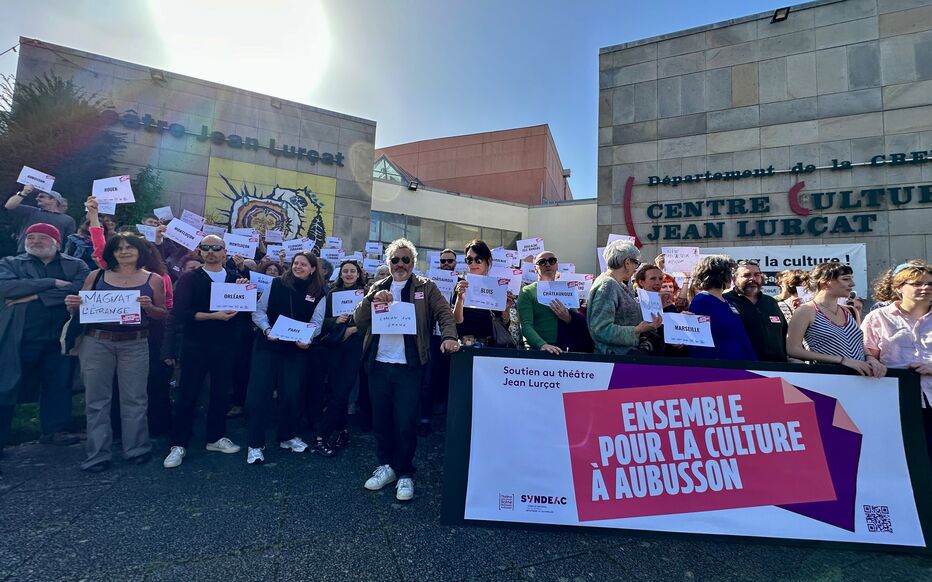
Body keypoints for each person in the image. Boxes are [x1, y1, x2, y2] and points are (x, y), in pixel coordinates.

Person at [353, 238, 459, 501]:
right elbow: (359, 319)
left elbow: (444, 313)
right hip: (378, 364)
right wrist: (371, 299)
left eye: (405, 259)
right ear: (388, 262)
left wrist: (449, 336)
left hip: (409, 366)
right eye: (395, 260)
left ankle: (405, 473)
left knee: (405, 422)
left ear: (413, 262)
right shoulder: (378, 286)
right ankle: (386, 466)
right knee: (381, 420)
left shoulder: (426, 286)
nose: (400, 264)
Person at [64, 234, 167, 472]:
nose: (124, 251)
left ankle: (137, 448)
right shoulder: (96, 276)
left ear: (140, 251)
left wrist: (149, 307)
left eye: (129, 247)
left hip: (135, 342)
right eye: (118, 248)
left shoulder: (153, 279)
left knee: (135, 398)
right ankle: (97, 454)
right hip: (97, 341)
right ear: (111, 253)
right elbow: (81, 306)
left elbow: (162, 313)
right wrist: (73, 305)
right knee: (96, 399)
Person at [0, 224, 89, 467]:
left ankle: (54, 430)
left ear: (56, 242)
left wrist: (35, 295)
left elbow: (80, 290)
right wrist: (52, 282)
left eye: (42, 237)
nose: (35, 241)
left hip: (60, 337)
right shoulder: (10, 263)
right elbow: (7, 288)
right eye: (31, 237)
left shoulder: (76, 265)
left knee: (59, 384)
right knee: (6, 386)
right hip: (21, 337)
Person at [163, 235, 246, 469]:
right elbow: (180, 313)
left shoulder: (234, 278)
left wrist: (246, 291)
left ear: (224, 252)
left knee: (221, 393)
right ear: (200, 251)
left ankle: (216, 437)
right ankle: (178, 444)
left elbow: (244, 311)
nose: (211, 251)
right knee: (188, 393)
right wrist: (212, 316)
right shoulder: (190, 278)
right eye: (206, 247)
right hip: (195, 344)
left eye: (216, 248)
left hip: (225, 345)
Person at [245, 251, 325, 464]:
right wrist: (266, 329)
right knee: (259, 395)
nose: (298, 267)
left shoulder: (319, 292)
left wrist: (308, 338)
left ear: (313, 269)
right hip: (268, 346)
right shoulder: (276, 283)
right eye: (296, 263)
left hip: (296, 349)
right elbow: (259, 311)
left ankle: (287, 436)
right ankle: (255, 444)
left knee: (291, 394)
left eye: (304, 264)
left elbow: (317, 322)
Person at [861, 262, 932, 455]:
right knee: (906, 455)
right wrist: (872, 361)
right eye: (917, 284)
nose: (925, 288)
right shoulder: (878, 317)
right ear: (899, 287)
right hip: (895, 398)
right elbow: (868, 354)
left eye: (929, 283)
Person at [786, 262, 884, 377]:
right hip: (827, 378)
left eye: (851, 279)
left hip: (860, 378)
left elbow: (857, 343)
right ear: (825, 282)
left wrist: (871, 358)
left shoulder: (850, 311)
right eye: (845, 279)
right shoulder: (806, 311)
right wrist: (841, 360)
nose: (852, 284)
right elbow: (793, 349)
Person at [317, 259, 366, 452]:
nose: (349, 274)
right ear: (340, 274)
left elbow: (373, 320)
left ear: (358, 274)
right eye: (345, 271)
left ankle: (322, 435)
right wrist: (336, 321)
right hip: (335, 346)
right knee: (336, 390)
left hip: (354, 346)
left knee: (342, 390)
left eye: (352, 271)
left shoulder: (366, 293)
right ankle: (343, 431)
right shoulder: (332, 293)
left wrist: (352, 330)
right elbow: (322, 321)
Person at [587, 241, 661, 355]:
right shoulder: (608, 285)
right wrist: (637, 330)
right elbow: (601, 330)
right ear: (627, 263)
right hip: (615, 357)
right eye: (636, 263)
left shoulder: (617, 284)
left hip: (622, 354)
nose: (636, 268)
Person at [517, 250, 590, 355]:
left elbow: (577, 321)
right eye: (542, 262)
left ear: (557, 266)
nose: (547, 264)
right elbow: (526, 325)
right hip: (537, 351)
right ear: (535, 268)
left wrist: (568, 317)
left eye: (552, 261)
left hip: (564, 349)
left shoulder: (567, 289)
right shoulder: (527, 292)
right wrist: (542, 345)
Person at [687, 255, 757, 361]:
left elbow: (741, 335)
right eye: (730, 273)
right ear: (720, 275)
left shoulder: (728, 301)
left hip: (742, 365)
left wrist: (753, 361)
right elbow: (700, 341)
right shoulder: (702, 301)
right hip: (720, 367)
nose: (732, 277)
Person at [419, 249, 457, 436]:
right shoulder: (429, 283)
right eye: (443, 261)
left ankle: (451, 420)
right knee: (428, 378)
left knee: (451, 378)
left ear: (456, 263)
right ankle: (424, 420)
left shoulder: (462, 283)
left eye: (450, 261)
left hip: (453, 336)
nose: (446, 264)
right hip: (432, 337)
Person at [453, 240, 514, 348]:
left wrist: (506, 309)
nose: (473, 264)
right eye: (469, 260)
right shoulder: (462, 285)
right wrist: (460, 298)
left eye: (478, 259)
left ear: (488, 260)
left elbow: (504, 323)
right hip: (468, 346)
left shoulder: (497, 286)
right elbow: (457, 320)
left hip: (491, 347)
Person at [724, 261, 788, 362]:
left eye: (757, 275)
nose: (752, 279)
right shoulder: (725, 301)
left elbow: (784, 334)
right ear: (734, 279)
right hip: (743, 367)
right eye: (747, 275)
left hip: (777, 367)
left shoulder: (770, 302)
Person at [4, 184, 76, 252]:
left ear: (53, 200)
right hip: (25, 254)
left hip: (51, 257)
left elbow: (68, 242)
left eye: (41, 197)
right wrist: (23, 193)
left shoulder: (68, 220)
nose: (37, 198)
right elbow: (9, 206)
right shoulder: (31, 211)